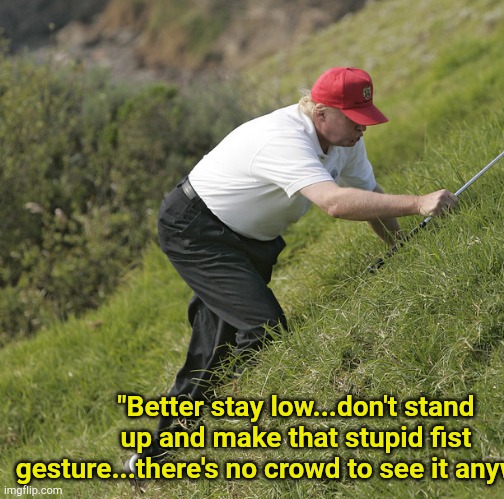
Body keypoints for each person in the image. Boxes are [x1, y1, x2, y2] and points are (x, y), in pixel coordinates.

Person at [124, 66, 457, 478]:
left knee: (215, 345)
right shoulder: (282, 140)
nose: (362, 128)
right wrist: (419, 201)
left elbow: (370, 194)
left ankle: (153, 458)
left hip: (248, 239)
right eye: (354, 119)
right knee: (262, 328)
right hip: (196, 229)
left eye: (365, 118)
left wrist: (400, 246)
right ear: (321, 114)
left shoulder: (345, 140)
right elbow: (334, 203)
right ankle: (211, 422)